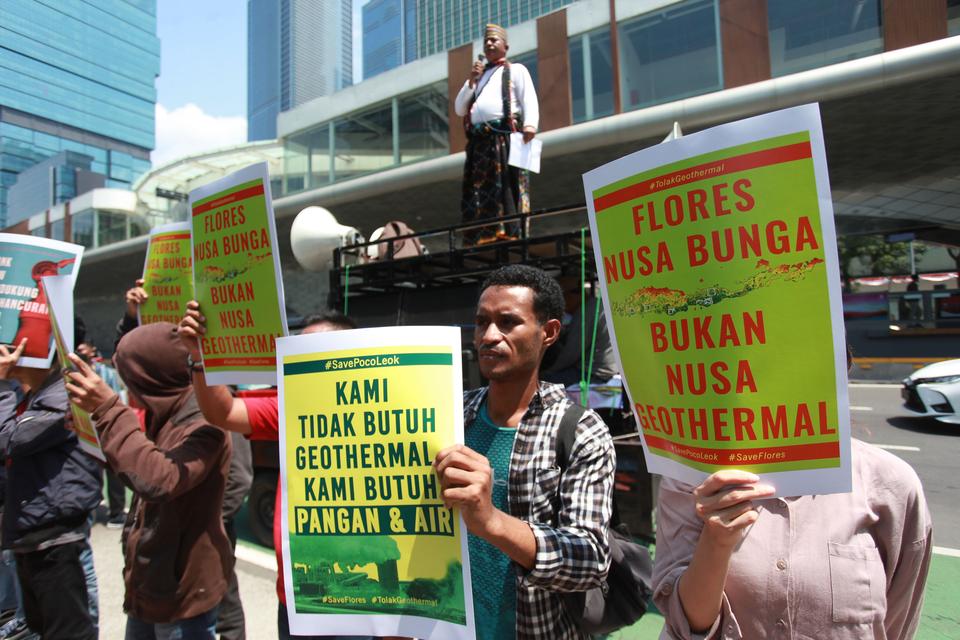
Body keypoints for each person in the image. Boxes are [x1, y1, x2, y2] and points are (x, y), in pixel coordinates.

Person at [652, 350, 932, 639]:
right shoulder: (691, 475)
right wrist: (717, 541)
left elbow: (897, 624)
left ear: (841, 362)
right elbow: (686, 623)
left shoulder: (892, 483)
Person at [434, 264, 616, 640]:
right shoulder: (450, 416)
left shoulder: (580, 430)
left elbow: (591, 558)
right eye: (481, 322)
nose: (489, 336)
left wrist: (491, 522)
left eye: (507, 322)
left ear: (548, 332)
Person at [176, 305, 373, 640]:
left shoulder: (388, 413)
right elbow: (222, 411)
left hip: (369, 599)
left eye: (315, 354)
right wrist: (199, 357)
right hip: (300, 597)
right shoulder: (291, 406)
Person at [64, 323, 233, 639]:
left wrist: (109, 409)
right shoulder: (166, 413)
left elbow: (159, 479)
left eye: (131, 379)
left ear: (152, 378)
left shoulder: (205, 422)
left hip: (183, 594)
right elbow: (136, 468)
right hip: (151, 584)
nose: (129, 389)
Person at [117, 279, 251, 638]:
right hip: (158, 577)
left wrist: (205, 522)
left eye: (133, 381)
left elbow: (235, 476)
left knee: (225, 606)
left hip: (189, 568)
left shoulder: (210, 414)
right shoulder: (165, 416)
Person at [0, 338, 101, 640]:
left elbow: (8, 440)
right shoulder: (35, 395)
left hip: (56, 540)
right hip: (32, 536)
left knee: (67, 632)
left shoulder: (63, 395)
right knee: (41, 629)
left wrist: (1, 386)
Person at [454, 23, 539, 245]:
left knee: (508, 187)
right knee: (477, 190)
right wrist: (471, 81)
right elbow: (459, 108)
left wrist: (530, 124)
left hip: (504, 138)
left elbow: (528, 97)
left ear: (506, 46)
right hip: (479, 144)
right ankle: (480, 234)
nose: (489, 44)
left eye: (494, 40)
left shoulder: (516, 70)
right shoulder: (477, 78)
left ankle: (509, 231)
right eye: (486, 42)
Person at [542, 275, 617, 388]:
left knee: (540, 382)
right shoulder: (597, 305)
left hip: (593, 374)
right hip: (608, 370)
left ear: (574, 294)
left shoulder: (585, 312)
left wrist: (547, 371)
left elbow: (570, 354)